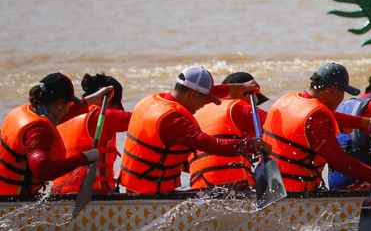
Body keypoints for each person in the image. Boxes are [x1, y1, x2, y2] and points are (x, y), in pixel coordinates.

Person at [119, 66, 268, 194]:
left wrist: (240, 88)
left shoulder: (154, 100)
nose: (204, 105)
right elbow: (216, 146)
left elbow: (206, 93)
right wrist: (252, 145)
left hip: (135, 187)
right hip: (151, 196)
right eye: (204, 100)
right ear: (194, 95)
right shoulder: (174, 121)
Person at [261, 63, 371, 193]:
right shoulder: (318, 116)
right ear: (332, 90)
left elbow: (315, 117)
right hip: (294, 197)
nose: (342, 98)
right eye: (342, 92)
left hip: (267, 189)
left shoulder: (287, 99)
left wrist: (366, 123)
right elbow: (339, 161)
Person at [1, 74, 101, 197]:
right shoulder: (38, 130)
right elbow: (43, 171)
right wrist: (84, 158)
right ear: (60, 103)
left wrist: (95, 98)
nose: (68, 108)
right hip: (13, 201)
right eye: (68, 104)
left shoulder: (26, 111)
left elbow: (63, 114)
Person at [49, 74, 129, 196]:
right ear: (110, 97)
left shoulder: (62, 117)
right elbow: (142, 120)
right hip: (93, 195)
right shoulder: (101, 117)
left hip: (58, 193)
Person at [188, 72, 267, 190]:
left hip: (198, 187)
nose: (256, 104)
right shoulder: (240, 108)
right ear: (245, 94)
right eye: (256, 99)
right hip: (234, 188)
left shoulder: (196, 113)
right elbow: (279, 129)